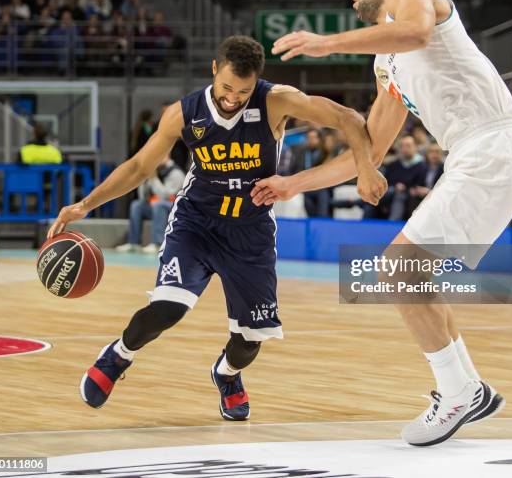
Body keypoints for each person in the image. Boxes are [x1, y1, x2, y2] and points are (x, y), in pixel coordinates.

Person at [251, 0, 512, 446]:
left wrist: (327, 44)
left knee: (398, 268)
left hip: (492, 146)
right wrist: (292, 183)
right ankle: (470, 388)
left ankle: (455, 393)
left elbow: (416, 30)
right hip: (474, 156)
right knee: (414, 273)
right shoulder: (388, 60)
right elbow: (371, 150)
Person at [47, 35, 386, 420]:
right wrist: (84, 205)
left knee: (249, 341)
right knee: (168, 308)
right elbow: (140, 167)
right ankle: (118, 356)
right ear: (213, 70)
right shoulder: (183, 113)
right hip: (197, 221)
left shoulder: (276, 100)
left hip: (250, 230)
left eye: (242, 91)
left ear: (256, 81)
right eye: (226, 88)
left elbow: (349, 118)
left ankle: (226, 374)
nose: (232, 98)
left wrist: (366, 166)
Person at [115, 155, 185, 253]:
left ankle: (157, 243)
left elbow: (166, 196)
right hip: (157, 208)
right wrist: (144, 180)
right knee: (137, 205)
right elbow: (143, 197)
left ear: (167, 156)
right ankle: (133, 243)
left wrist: (154, 179)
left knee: (159, 204)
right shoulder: (156, 171)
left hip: (174, 209)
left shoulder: (176, 173)